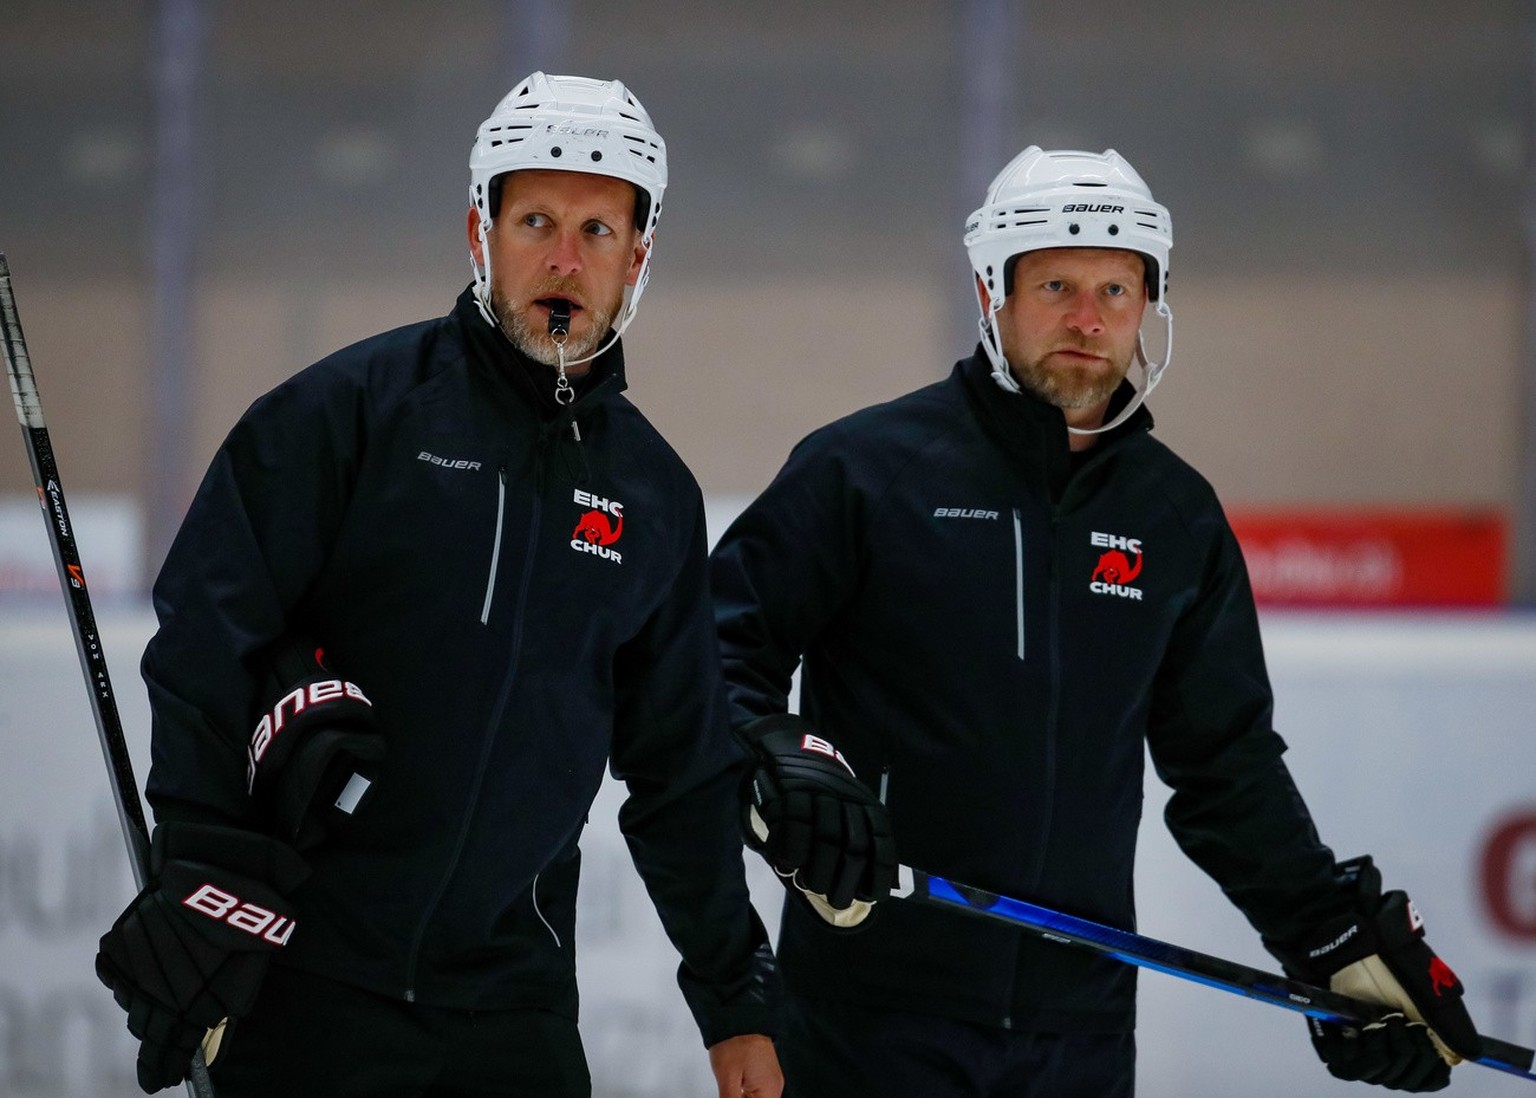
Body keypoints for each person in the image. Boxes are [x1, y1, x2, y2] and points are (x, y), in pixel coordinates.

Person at [709, 145, 1483, 1096]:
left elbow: (1226, 770)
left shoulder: (1176, 518)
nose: (1088, 319)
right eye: (1059, 285)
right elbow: (712, 647)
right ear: (994, 291)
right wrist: (776, 753)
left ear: (1150, 306)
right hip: (863, 1019)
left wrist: (1330, 939)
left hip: (1077, 1036)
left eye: (1118, 290)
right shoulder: (865, 471)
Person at [95, 72, 782, 1098]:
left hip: (513, 1006)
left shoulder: (656, 498)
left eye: (598, 231)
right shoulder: (344, 418)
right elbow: (208, 641)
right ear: (480, 230)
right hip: (306, 982)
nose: (564, 258)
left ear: (638, 257)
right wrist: (204, 872)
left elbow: (681, 772)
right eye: (536, 220)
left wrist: (737, 1005)